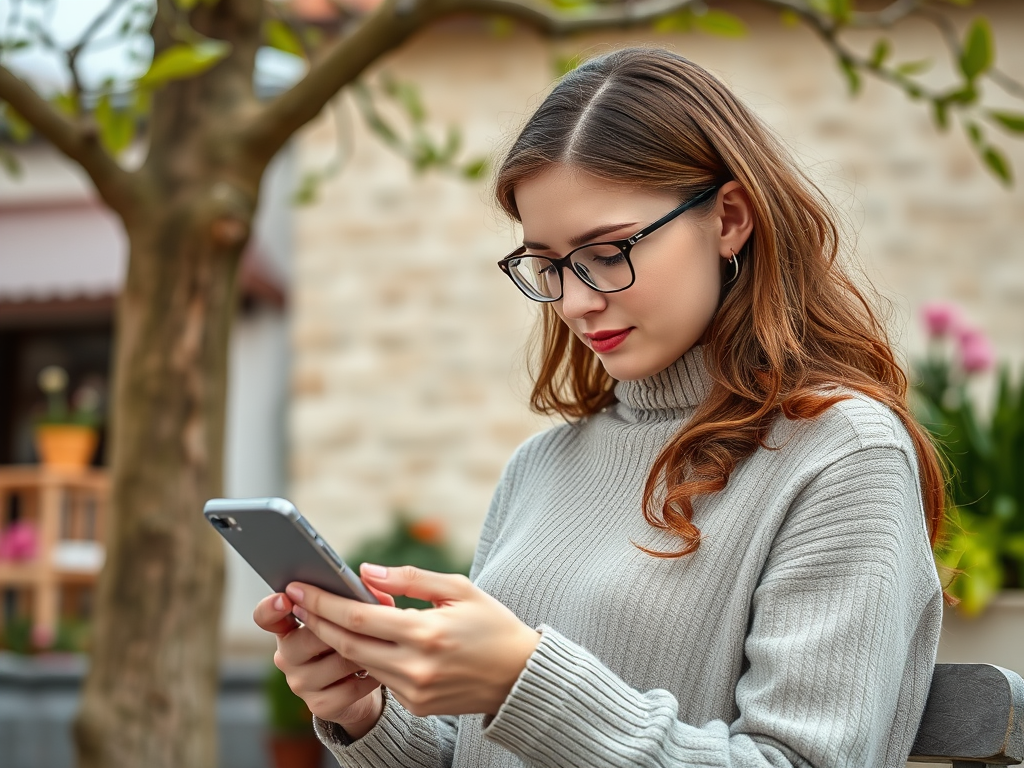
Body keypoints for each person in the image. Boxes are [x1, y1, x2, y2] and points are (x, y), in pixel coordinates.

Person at [253, 47, 945, 767]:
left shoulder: (842, 455)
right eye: (548, 264)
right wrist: (365, 712)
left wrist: (524, 680)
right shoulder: (542, 466)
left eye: (609, 251)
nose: (577, 301)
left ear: (730, 219)